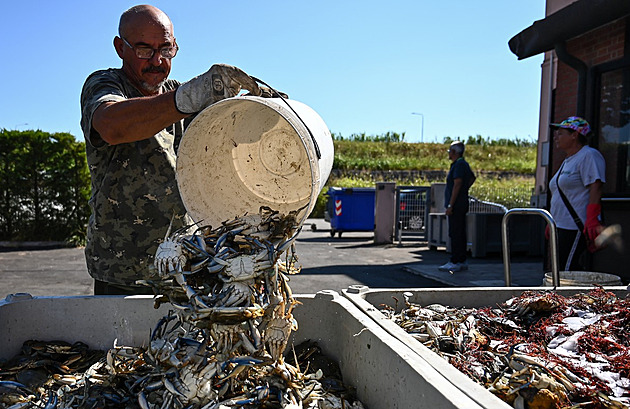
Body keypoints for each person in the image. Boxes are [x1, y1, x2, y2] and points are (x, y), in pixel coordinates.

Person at [80, 5, 276, 295]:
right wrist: (187, 99)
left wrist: (262, 110)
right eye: (144, 50)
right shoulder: (107, 85)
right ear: (120, 48)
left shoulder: (182, 95)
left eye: (166, 49)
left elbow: (234, 136)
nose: (157, 60)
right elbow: (111, 125)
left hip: (186, 266)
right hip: (123, 272)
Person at [548, 116, 605, 271]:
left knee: (566, 272)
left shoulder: (588, 155)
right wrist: (551, 221)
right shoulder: (568, 160)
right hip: (560, 226)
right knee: (558, 270)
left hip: (575, 227)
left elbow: (596, 185)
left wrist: (592, 218)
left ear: (574, 135)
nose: (556, 137)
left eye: (561, 133)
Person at [439, 141, 476, 272]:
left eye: (450, 151)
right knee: (460, 232)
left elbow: (457, 184)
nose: (449, 153)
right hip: (461, 203)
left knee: (455, 232)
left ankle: (455, 260)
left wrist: (451, 204)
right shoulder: (463, 164)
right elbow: (472, 178)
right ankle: (461, 259)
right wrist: (465, 190)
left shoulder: (459, 165)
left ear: (454, 152)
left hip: (456, 205)